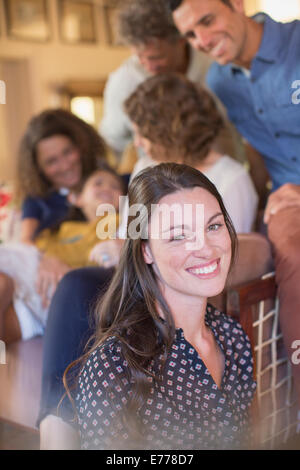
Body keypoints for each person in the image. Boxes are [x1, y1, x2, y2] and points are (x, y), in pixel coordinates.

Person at [167, 0, 300, 422]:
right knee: (291, 251)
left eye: (208, 21)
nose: (202, 41)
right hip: (288, 201)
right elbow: (257, 151)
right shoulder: (219, 79)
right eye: (190, 35)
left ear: (237, 5)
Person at [69, 162, 256, 450]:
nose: (206, 248)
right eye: (179, 236)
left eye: (214, 225)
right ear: (145, 250)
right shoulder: (112, 366)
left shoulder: (233, 338)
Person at [0, 109, 108, 344]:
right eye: (51, 161)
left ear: (80, 146)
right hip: (36, 268)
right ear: (38, 169)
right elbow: (26, 241)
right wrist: (47, 258)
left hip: (65, 284)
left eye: (67, 152)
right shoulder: (38, 200)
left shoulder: (106, 186)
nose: (65, 165)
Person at [99, 0, 242, 164]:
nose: (148, 66)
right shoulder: (125, 81)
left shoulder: (215, 65)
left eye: (156, 57)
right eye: (139, 56)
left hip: (220, 174)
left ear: (182, 39)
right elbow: (112, 142)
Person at [0, 165, 125, 343]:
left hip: (61, 286)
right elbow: (33, 249)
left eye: (115, 187)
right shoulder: (64, 229)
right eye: (98, 183)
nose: (107, 189)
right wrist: (48, 259)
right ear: (77, 198)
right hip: (34, 272)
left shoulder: (118, 223)